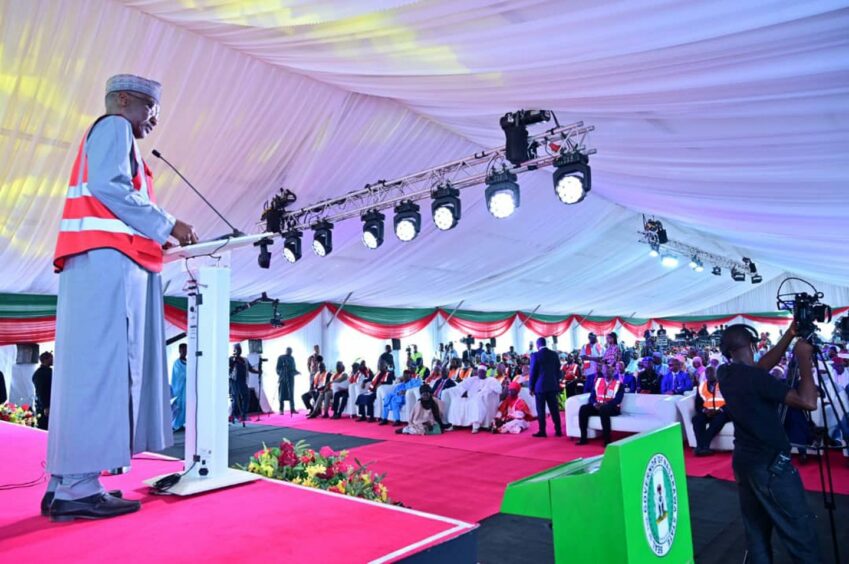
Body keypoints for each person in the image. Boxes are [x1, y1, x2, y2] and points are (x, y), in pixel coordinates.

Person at [46, 74, 198, 522]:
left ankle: (64, 481)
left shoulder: (107, 135)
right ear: (126, 101)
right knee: (104, 372)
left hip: (97, 264)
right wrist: (169, 224)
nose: (155, 119)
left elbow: (112, 200)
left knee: (85, 372)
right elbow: (111, 187)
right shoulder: (113, 128)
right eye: (151, 108)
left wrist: (153, 236)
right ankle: (79, 490)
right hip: (106, 265)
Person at [717, 323, 820, 562]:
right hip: (772, 468)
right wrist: (804, 360)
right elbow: (808, 402)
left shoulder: (726, 373)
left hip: (744, 464)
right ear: (753, 345)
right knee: (800, 534)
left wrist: (790, 334)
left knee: (757, 535)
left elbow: (760, 368)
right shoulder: (756, 379)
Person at [577, 363, 624, 445]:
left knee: (604, 409)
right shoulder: (598, 382)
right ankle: (583, 438)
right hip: (598, 406)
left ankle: (607, 440)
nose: (606, 372)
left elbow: (618, 400)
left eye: (609, 370)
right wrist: (594, 404)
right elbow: (592, 397)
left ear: (613, 372)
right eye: (605, 370)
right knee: (583, 408)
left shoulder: (619, 384)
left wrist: (606, 404)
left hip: (612, 408)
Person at [448, 367, 501, 433]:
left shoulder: (491, 380)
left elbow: (498, 390)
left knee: (476, 402)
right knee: (456, 401)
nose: (480, 373)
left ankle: (476, 426)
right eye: (479, 372)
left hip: (481, 398)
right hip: (471, 397)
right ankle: (454, 424)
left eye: (482, 372)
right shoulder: (474, 379)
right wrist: (464, 392)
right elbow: (462, 386)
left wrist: (482, 393)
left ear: (485, 372)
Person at [691, 366, 728, 456]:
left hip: (722, 412)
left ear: (717, 374)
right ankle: (702, 447)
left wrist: (718, 410)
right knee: (696, 419)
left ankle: (702, 445)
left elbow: (731, 402)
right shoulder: (702, 386)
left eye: (712, 372)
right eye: (707, 372)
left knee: (718, 420)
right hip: (707, 411)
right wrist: (704, 410)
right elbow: (698, 404)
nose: (709, 374)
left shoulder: (725, 385)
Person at [529, 337, 562, 438]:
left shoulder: (535, 355)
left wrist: (531, 387)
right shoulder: (554, 354)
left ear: (537, 345)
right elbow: (558, 370)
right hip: (552, 386)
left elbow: (533, 372)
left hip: (540, 387)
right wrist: (556, 382)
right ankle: (558, 430)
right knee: (554, 409)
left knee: (541, 410)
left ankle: (542, 431)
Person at [33, 352, 54, 430]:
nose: (53, 360)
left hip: (48, 404)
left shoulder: (47, 371)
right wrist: (45, 406)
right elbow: (41, 391)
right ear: (45, 360)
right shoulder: (40, 373)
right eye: (51, 358)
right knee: (44, 427)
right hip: (43, 407)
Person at [229, 344, 249, 425]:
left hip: (243, 381)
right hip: (234, 381)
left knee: (246, 396)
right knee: (236, 399)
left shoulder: (244, 359)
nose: (239, 350)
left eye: (240, 349)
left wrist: (258, 371)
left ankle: (244, 414)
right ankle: (234, 416)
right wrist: (234, 361)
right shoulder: (231, 358)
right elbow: (229, 368)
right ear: (234, 350)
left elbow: (250, 368)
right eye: (237, 349)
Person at [276, 347, 299, 415]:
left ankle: (292, 409)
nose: (289, 352)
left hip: (290, 378)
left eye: (291, 351)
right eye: (288, 351)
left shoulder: (292, 358)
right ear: (286, 351)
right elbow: (277, 368)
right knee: (281, 393)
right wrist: (282, 372)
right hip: (283, 378)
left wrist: (296, 372)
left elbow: (294, 368)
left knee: (291, 393)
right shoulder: (281, 357)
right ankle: (281, 409)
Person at [170, 344, 187, 431]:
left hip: (186, 389)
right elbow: (178, 375)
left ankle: (182, 423)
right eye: (183, 350)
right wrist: (186, 373)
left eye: (186, 350)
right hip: (179, 388)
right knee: (179, 406)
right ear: (179, 351)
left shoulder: (188, 361)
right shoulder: (177, 363)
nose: (185, 352)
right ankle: (175, 424)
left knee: (186, 406)